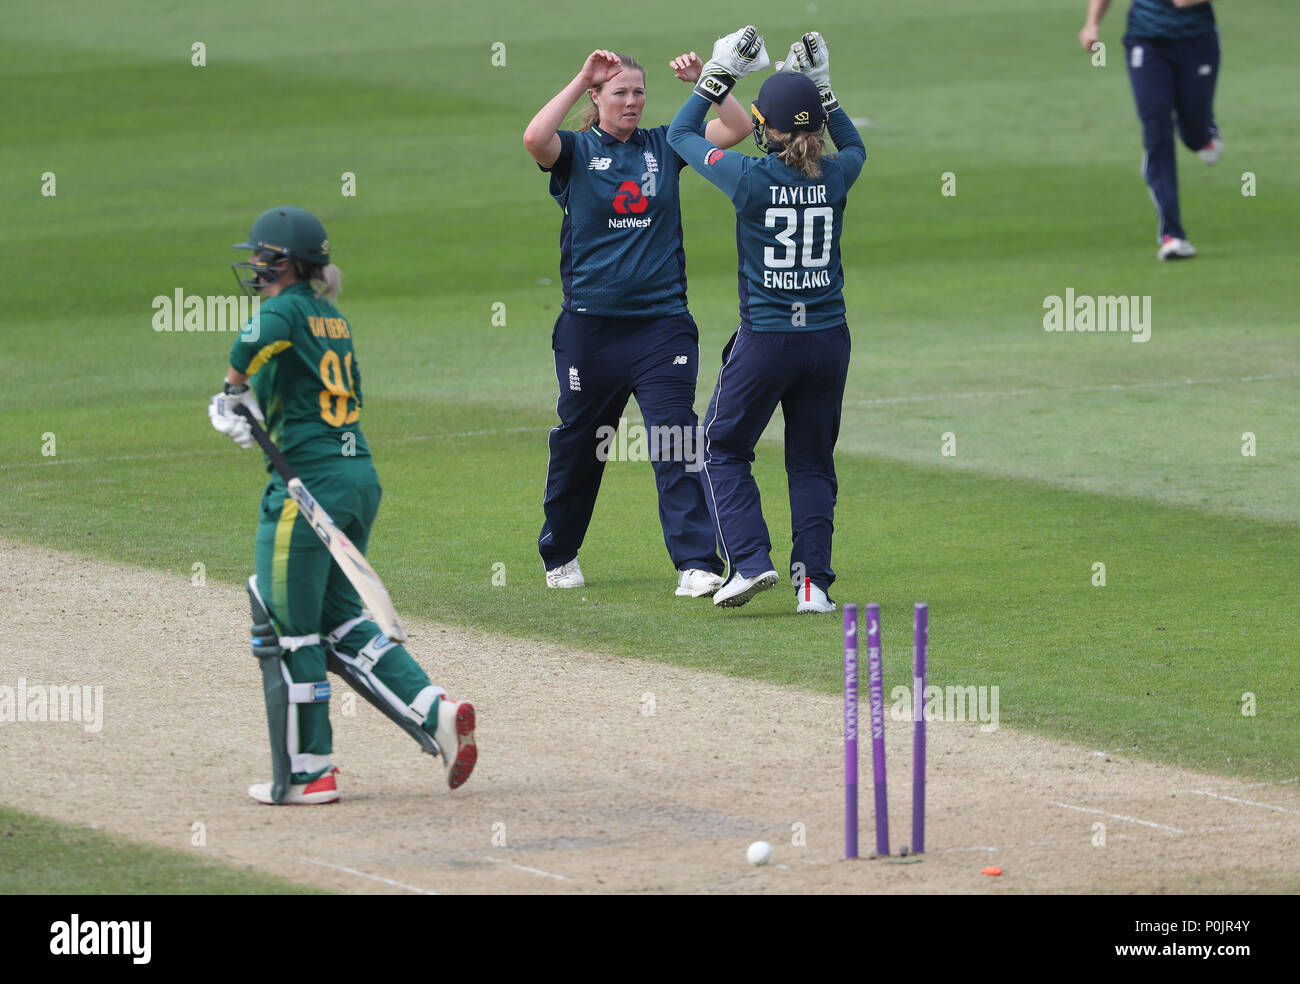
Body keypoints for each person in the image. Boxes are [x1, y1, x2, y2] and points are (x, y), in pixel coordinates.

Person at [207, 205, 476, 804]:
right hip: (357, 480)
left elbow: (250, 339)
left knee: (287, 630)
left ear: (281, 261)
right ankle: (435, 712)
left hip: (306, 488)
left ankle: (309, 774)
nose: (253, 265)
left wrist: (229, 394)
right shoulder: (331, 316)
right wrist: (252, 410)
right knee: (337, 620)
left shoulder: (280, 310)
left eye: (260, 256)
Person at [523, 46, 754, 597]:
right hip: (590, 330)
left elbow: (738, 128)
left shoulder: (665, 143)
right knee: (583, 443)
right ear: (597, 99)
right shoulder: (575, 151)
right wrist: (581, 76)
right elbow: (535, 139)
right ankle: (560, 552)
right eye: (619, 92)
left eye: (638, 92)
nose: (631, 102)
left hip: (662, 325)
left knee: (674, 438)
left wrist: (708, 81)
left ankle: (696, 563)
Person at [667, 29, 865, 614]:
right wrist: (823, 87)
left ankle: (750, 563)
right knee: (810, 460)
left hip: (767, 342)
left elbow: (680, 134)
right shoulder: (837, 173)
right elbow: (853, 143)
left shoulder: (750, 177)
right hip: (828, 342)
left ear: (765, 130)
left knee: (723, 445)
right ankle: (814, 587)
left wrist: (720, 71)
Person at [1079, 0, 1223, 261]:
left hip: (1198, 41)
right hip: (1146, 42)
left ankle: (1204, 134)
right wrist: (1092, 24)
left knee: (1193, 134)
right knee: (1157, 132)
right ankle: (1172, 235)